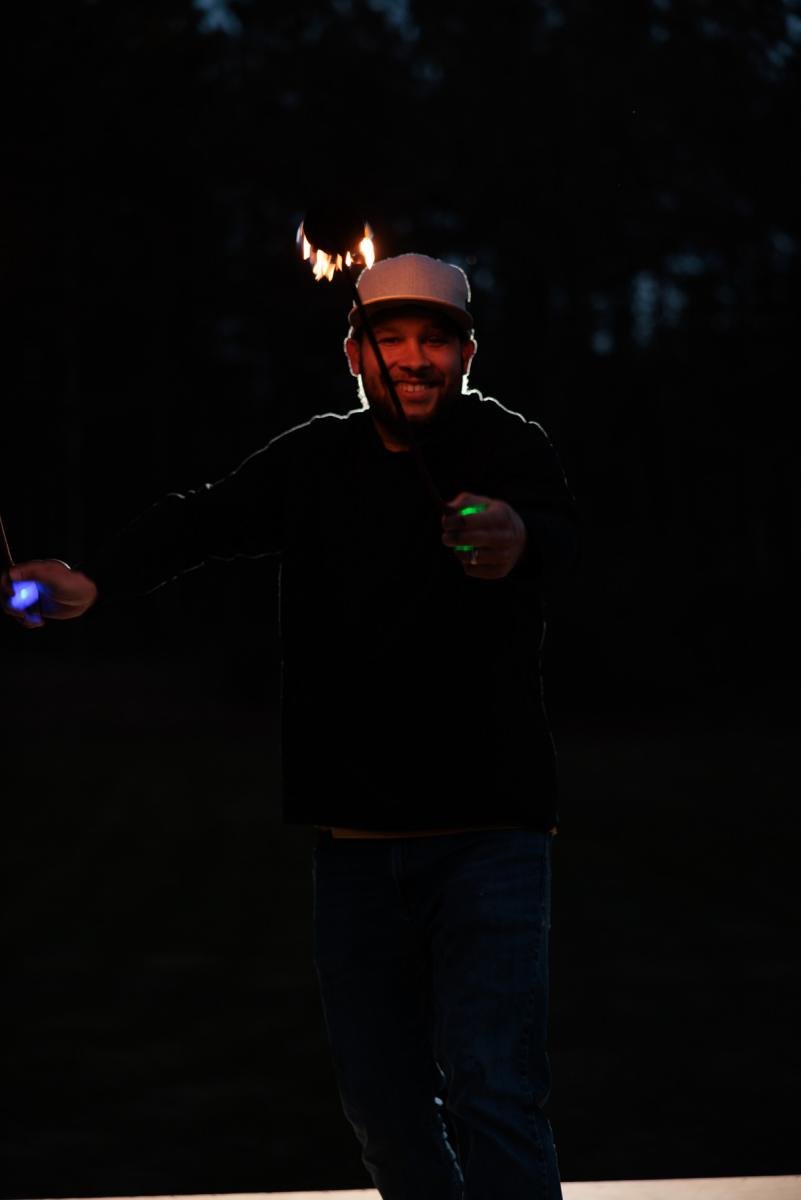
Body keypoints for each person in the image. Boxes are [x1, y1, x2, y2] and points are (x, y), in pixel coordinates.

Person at [2, 252, 579, 1199]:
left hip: (489, 834)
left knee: (494, 1087)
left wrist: (513, 537)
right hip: (354, 842)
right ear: (353, 354)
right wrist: (94, 579)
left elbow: (556, 534)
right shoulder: (315, 459)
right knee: (383, 1106)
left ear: (467, 354)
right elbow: (201, 521)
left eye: (435, 341)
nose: (414, 359)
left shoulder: (508, 447)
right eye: (390, 340)